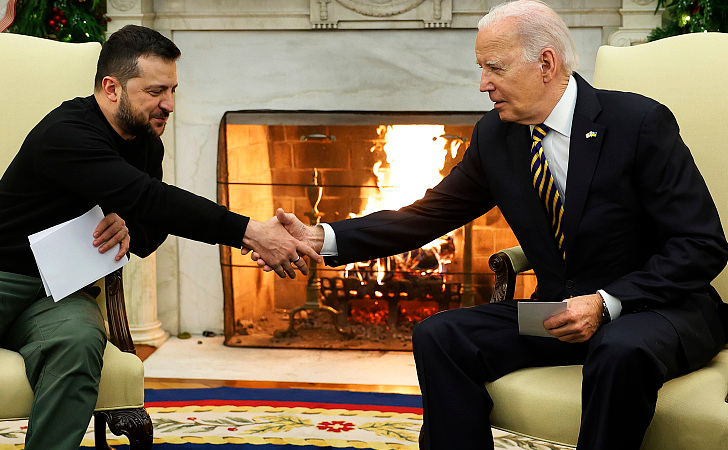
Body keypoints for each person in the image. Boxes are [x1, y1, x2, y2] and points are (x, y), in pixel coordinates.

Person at [250, 1, 728, 449]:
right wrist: (323, 237)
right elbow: (426, 216)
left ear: (546, 63)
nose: (483, 83)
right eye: (482, 68)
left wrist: (606, 303)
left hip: (656, 309)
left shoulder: (638, 122)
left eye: (494, 68)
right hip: (560, 313)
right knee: (439, 335)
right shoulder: (496, 136)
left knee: (620, 351)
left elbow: (701, 244)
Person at [0, 25, 318, 449]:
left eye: (172, 89)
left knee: (78, 345)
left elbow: (150, 230)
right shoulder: (67, 132)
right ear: (111, 88)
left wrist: (130, 228)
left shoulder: (146, 142)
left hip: (60, 291)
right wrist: (251, 232)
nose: (168, 104)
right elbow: (147, 196)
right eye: (155, 91)